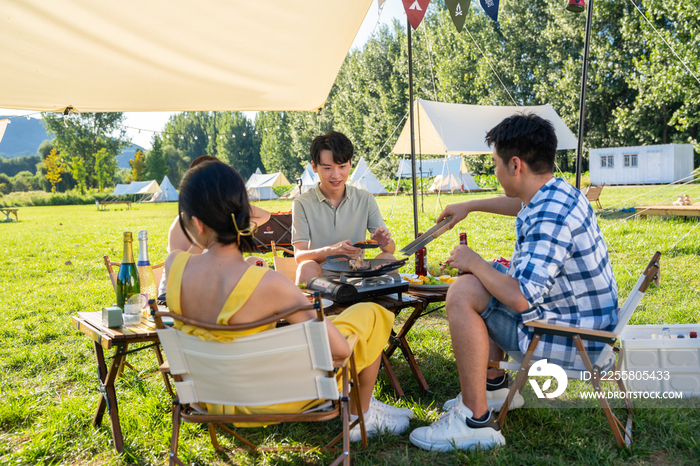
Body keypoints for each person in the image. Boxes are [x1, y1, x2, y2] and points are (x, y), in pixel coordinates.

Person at [409, 113, 618, 451]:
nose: (494, 171)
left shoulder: (550, 215)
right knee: (487, 275)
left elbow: (520, 299)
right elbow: (519, 202)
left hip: (574, 341)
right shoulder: (558, 193)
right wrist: (471, 205)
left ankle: (474, 420)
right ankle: (493, 388)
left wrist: (473, 262)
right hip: (587, 325)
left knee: (463, 291)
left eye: (495, 164)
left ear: (515, 165)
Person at [164, 160, 413, 440]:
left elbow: (199, 247)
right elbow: (340, 352)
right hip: (268, 399)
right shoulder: (271, 284)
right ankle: (361, 414)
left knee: (348, 320)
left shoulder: (175, 267)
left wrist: (204, 230)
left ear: (195, 223)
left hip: (208, 395)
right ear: (243, 216)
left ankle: (364, 410)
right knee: (371, 313)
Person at [157, 155, 270, 300]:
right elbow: (178, 271)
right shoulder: (181, 222)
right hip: (176, 294)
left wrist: (233, 204)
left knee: (254, 262)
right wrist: (204, 237)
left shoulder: (226, 218)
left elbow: (265, 216)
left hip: (212, 289)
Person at [292, 131, 396, 284]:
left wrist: (384, 242)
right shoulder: (302, 203)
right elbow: (299, 255)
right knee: (306, 266)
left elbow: (390, 250)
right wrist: (331, 251)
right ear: (314, 166)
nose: (336, 175)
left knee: (388, 258)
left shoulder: (365, 198)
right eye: (327, 168)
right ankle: (311, 308)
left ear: (351, 163)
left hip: (359, 274)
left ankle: (388, 306)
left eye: (342, 166)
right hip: (321, 276)